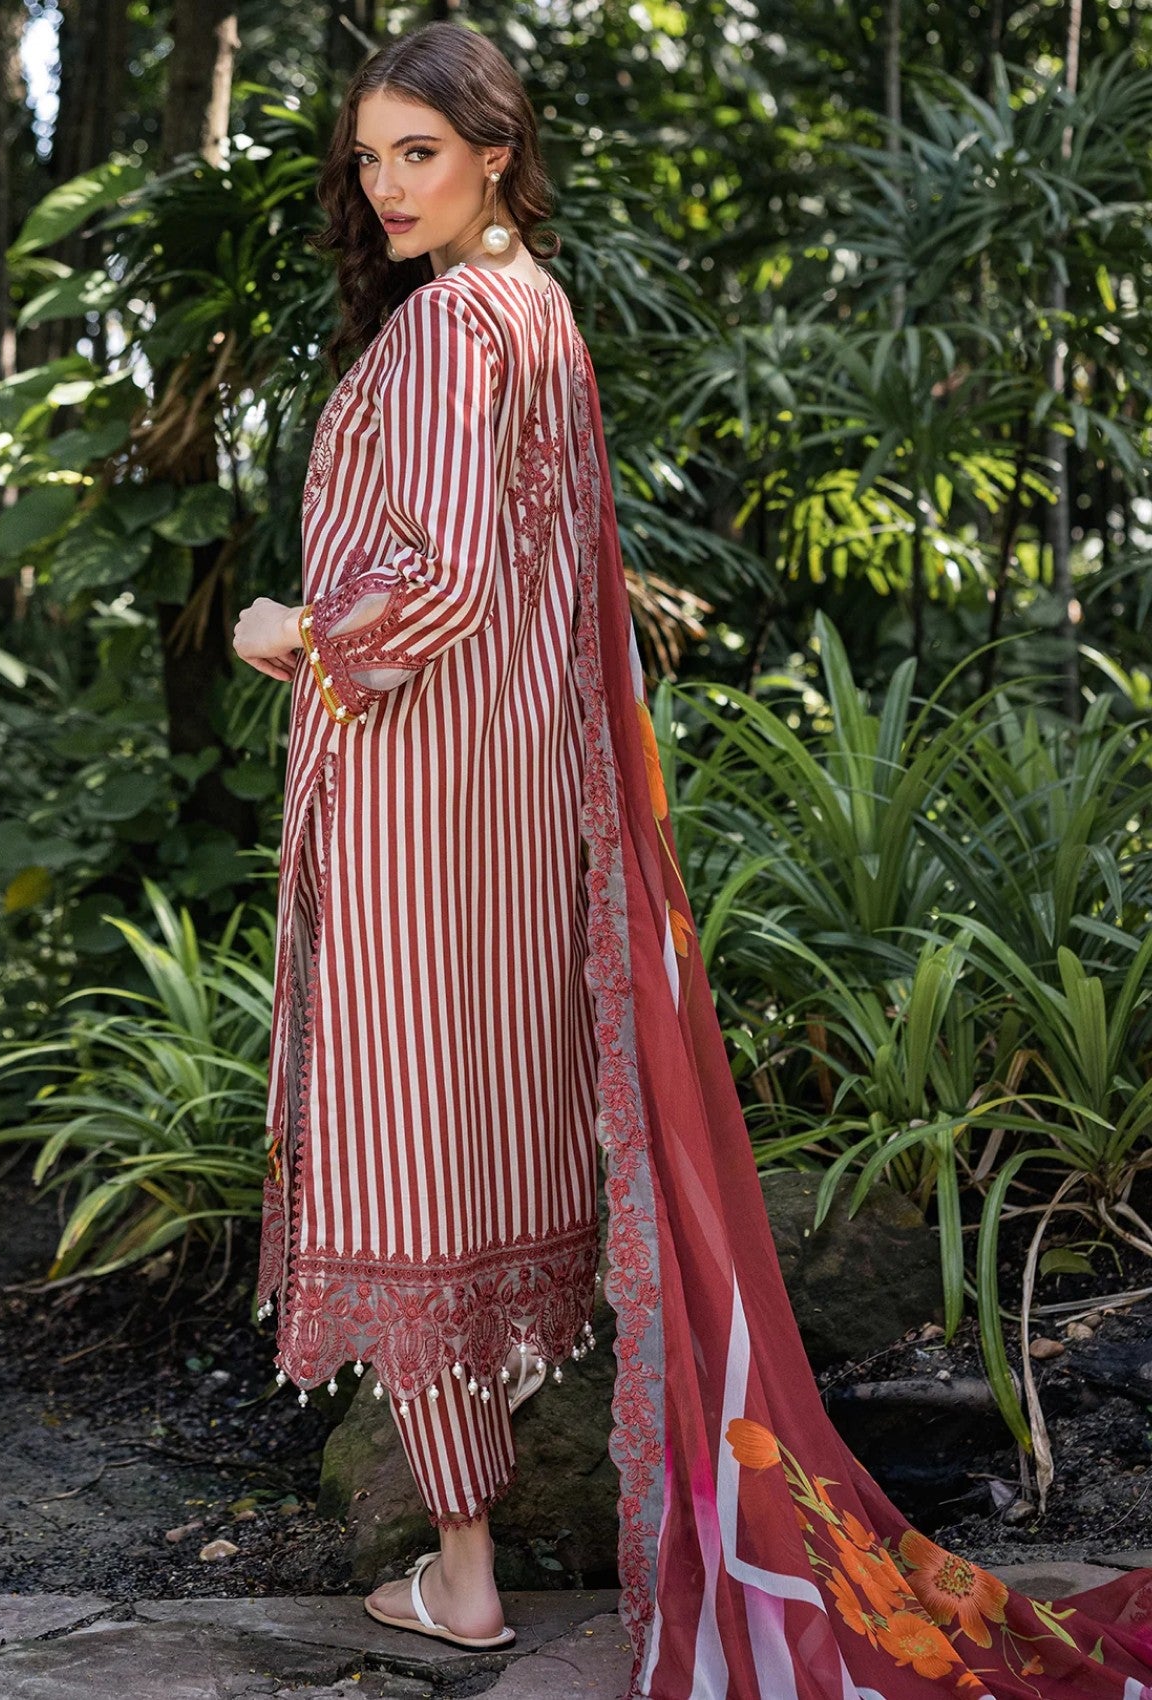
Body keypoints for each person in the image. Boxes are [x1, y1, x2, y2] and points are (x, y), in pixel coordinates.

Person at [233, 21, 1152, 1700]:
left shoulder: (448, 327)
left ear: (496, 152)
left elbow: (438, 588)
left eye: (417, 154)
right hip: (520, 809)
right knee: (487, 1137)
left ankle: (464, 1572)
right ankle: (469, 1548)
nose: (385, 189)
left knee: (409, 1153)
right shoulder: (539, 311)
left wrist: (294, 632)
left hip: (417, 803)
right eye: (367, 161)